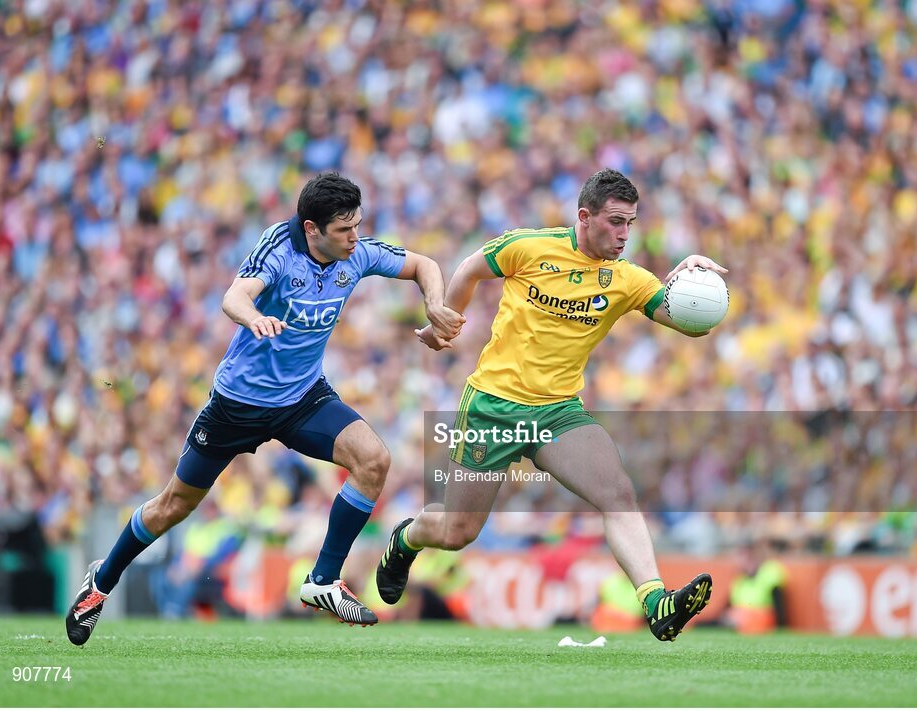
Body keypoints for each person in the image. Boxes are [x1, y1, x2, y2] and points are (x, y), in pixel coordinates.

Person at [66, 173, 463, 644]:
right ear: (312, 228)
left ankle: (322, 581)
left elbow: (424, 264)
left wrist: (434, 306)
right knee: (172, 506)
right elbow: (234, 296)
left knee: (373, 459)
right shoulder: (279, 248)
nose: (356, 238)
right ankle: (101, 583)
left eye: (358, 225)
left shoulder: (355, 254)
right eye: (345, 229)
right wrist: (255, 317)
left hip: (301, 399)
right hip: (237, 406)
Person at [376, 168, 724, 642]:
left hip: (557, 411)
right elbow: (469, 269)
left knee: (617, 493)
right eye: (615, 222)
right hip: (492, 407)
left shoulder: (628, 280)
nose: (624, 235)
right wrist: (445, 322)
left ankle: (655, 600)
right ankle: (405, 540)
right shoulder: (528, 247)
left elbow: (692, 325)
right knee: (456, 532)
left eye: (631, 224)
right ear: (585, 216)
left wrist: (692, 282)